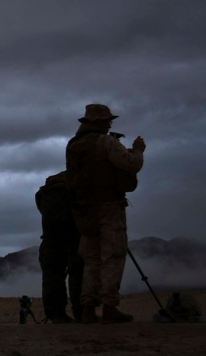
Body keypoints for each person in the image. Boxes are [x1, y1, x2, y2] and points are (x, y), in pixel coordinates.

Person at [65, 104, 145, 324]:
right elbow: (132, 164)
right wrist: (137, 149)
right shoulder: (106, 142)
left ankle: (88, 308)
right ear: (100, 122)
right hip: (109, 206)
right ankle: (110, 307)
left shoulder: (73, 146)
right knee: (113, 255)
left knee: (91, 259)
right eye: (108, 120)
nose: (110, 124)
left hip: (84, 209)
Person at [35, 171, 83, 324]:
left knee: (52, 274)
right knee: (78, 271)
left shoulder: (44, 192)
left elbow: (40, 207)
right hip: (73, 234)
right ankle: (82, 312)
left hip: (50, 237)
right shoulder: (75, 187)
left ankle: (56, 314)